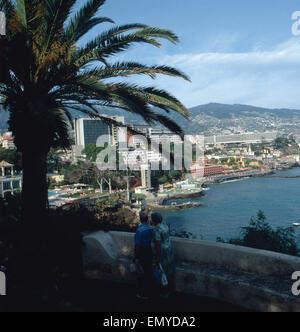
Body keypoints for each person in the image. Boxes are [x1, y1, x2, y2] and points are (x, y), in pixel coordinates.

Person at [151, 212, 175, 299]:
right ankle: (170, 290)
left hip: (163, 253)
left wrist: (157, 259)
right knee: (170, 272)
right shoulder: (165, 225)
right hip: (169, 251)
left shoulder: (156, 230)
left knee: (162, 274)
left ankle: (165, 293)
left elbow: (158, 246)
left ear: (153, 220)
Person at [134, 211, 153, 300]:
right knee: (149, 271)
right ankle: (149, 291)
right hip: (150, 250)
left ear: (140, 220)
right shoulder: (151, 228)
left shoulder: (139, 230)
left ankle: (143, 293)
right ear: (147, 219)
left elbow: (137, 245)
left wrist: (136, 257)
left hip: (142, 251)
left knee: (141, 273)